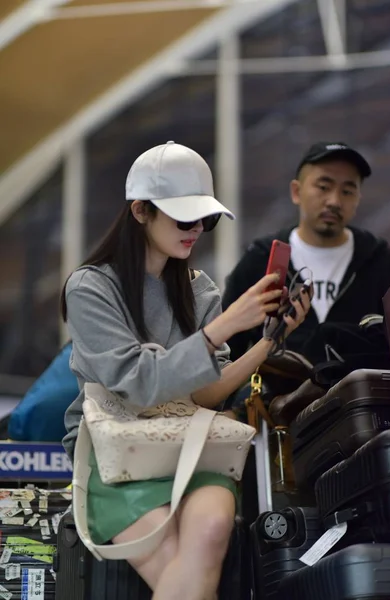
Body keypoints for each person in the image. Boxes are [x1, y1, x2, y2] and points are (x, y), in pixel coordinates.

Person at [61, 141, 310, 600]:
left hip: (191, 446)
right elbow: (137, 382)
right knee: (179, 553)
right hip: (119, 453)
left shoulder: (201, 291)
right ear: (139, 211)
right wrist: (225, 325)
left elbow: (206, 394)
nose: (196, 229)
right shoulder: (91, 288)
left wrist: (270, 341)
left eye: (205, 219)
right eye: (183, 217)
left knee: (214, 526)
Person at [222, 141, 390, 362]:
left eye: (347, 191)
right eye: (323, 187)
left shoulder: (384, 264)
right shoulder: (261, 260)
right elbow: (226, 350)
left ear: (357, 199)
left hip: (362, 395)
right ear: (296, 191)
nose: (334, 201)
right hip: (275, 394)